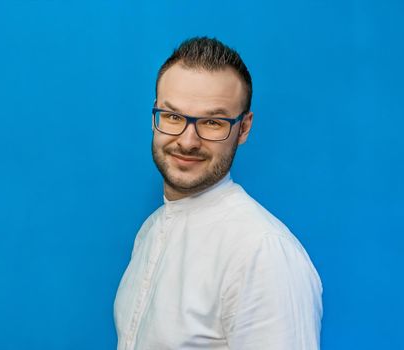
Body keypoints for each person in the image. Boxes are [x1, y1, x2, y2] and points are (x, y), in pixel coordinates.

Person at [114, 37, 322, 350]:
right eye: (173, 116)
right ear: (155, 116)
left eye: (213, 122)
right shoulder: (150, 231)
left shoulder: (262, 253)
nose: (187, 141)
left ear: (244, 128)